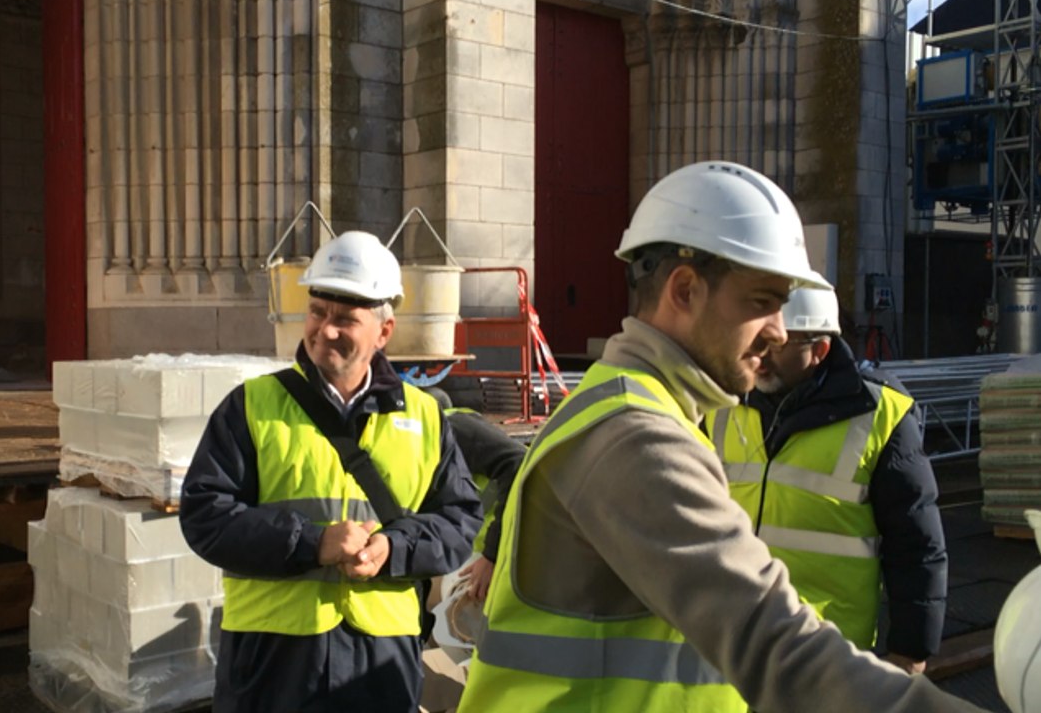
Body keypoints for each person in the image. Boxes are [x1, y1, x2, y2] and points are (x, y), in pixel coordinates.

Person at [458, 161, 984, 712]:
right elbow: (771, 639)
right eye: (763, 302)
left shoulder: (647, 407)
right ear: (684, 290)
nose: (779, 331)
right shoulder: (635, 437)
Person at [179, 230, 482, 713]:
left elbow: (461, 521)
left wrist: (394, 547)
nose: (326, 329)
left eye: (345, 319)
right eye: (317, 312)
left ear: (384, 332)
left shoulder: (425, 417)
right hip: (272, 651)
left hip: (380, 654)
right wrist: (311, 543)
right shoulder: (250, 406)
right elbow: (205, 516)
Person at [706, 287, 947, 675]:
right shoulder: (721, 405)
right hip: (729, 638)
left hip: (827, 650)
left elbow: (916, 544)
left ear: (819, 351)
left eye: (778, 343)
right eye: (757, 338)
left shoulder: (880, 416)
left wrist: (910, 649)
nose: (761, 355)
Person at [428, 386, 527, 603]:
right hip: (466, 559)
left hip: (484, 560)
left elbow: (520, 464)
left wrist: (493, 554)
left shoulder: (451, 427)